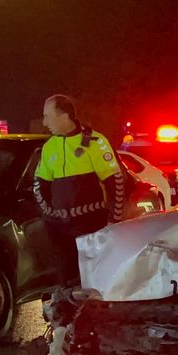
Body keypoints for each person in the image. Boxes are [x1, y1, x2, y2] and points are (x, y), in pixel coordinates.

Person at [32, 95, 125, 283]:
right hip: (60, 230)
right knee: (66, 281)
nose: (44, 122)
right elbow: (39, 184)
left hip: (90, 226)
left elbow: (115, 181)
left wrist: (114, 220)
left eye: (47, 116)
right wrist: (51, 214)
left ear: (64, 116)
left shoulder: (94, 142)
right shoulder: (50, 146)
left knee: (93, 281)